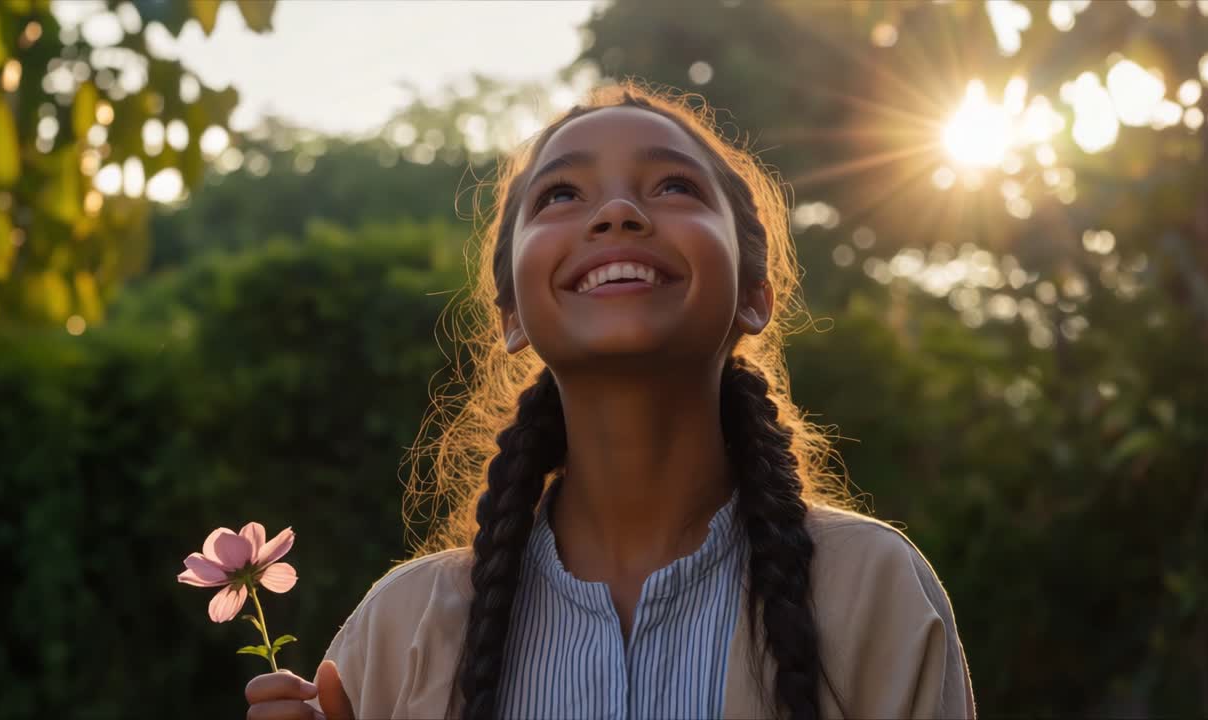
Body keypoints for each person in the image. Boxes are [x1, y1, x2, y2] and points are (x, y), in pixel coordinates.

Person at [244, 81, 976, 720]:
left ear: (755, 296)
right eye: (562, 195)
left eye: (673, 187)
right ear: (512, 318)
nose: (618, 213)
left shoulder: (872, 590)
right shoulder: (396, 635)